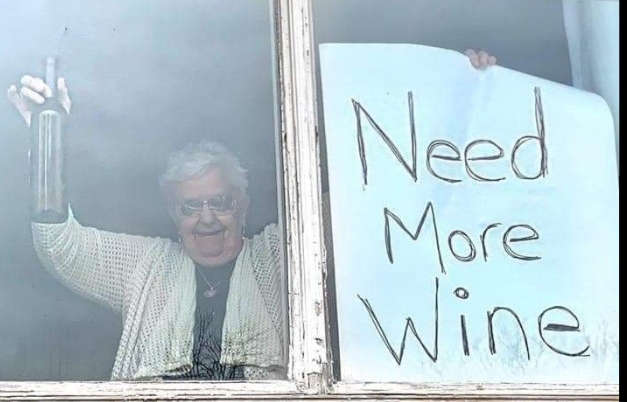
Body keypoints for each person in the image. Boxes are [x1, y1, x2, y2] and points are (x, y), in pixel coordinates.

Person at [5, 49, 497, 381]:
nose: (207, 219)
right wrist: (45, 138)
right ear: (173, 214)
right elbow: (60, 244)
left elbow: (376, 207)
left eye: (219, 202)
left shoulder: (282, 255)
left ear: (241, 205)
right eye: (190, 206)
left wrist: (463, 102)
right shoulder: (147, 266)